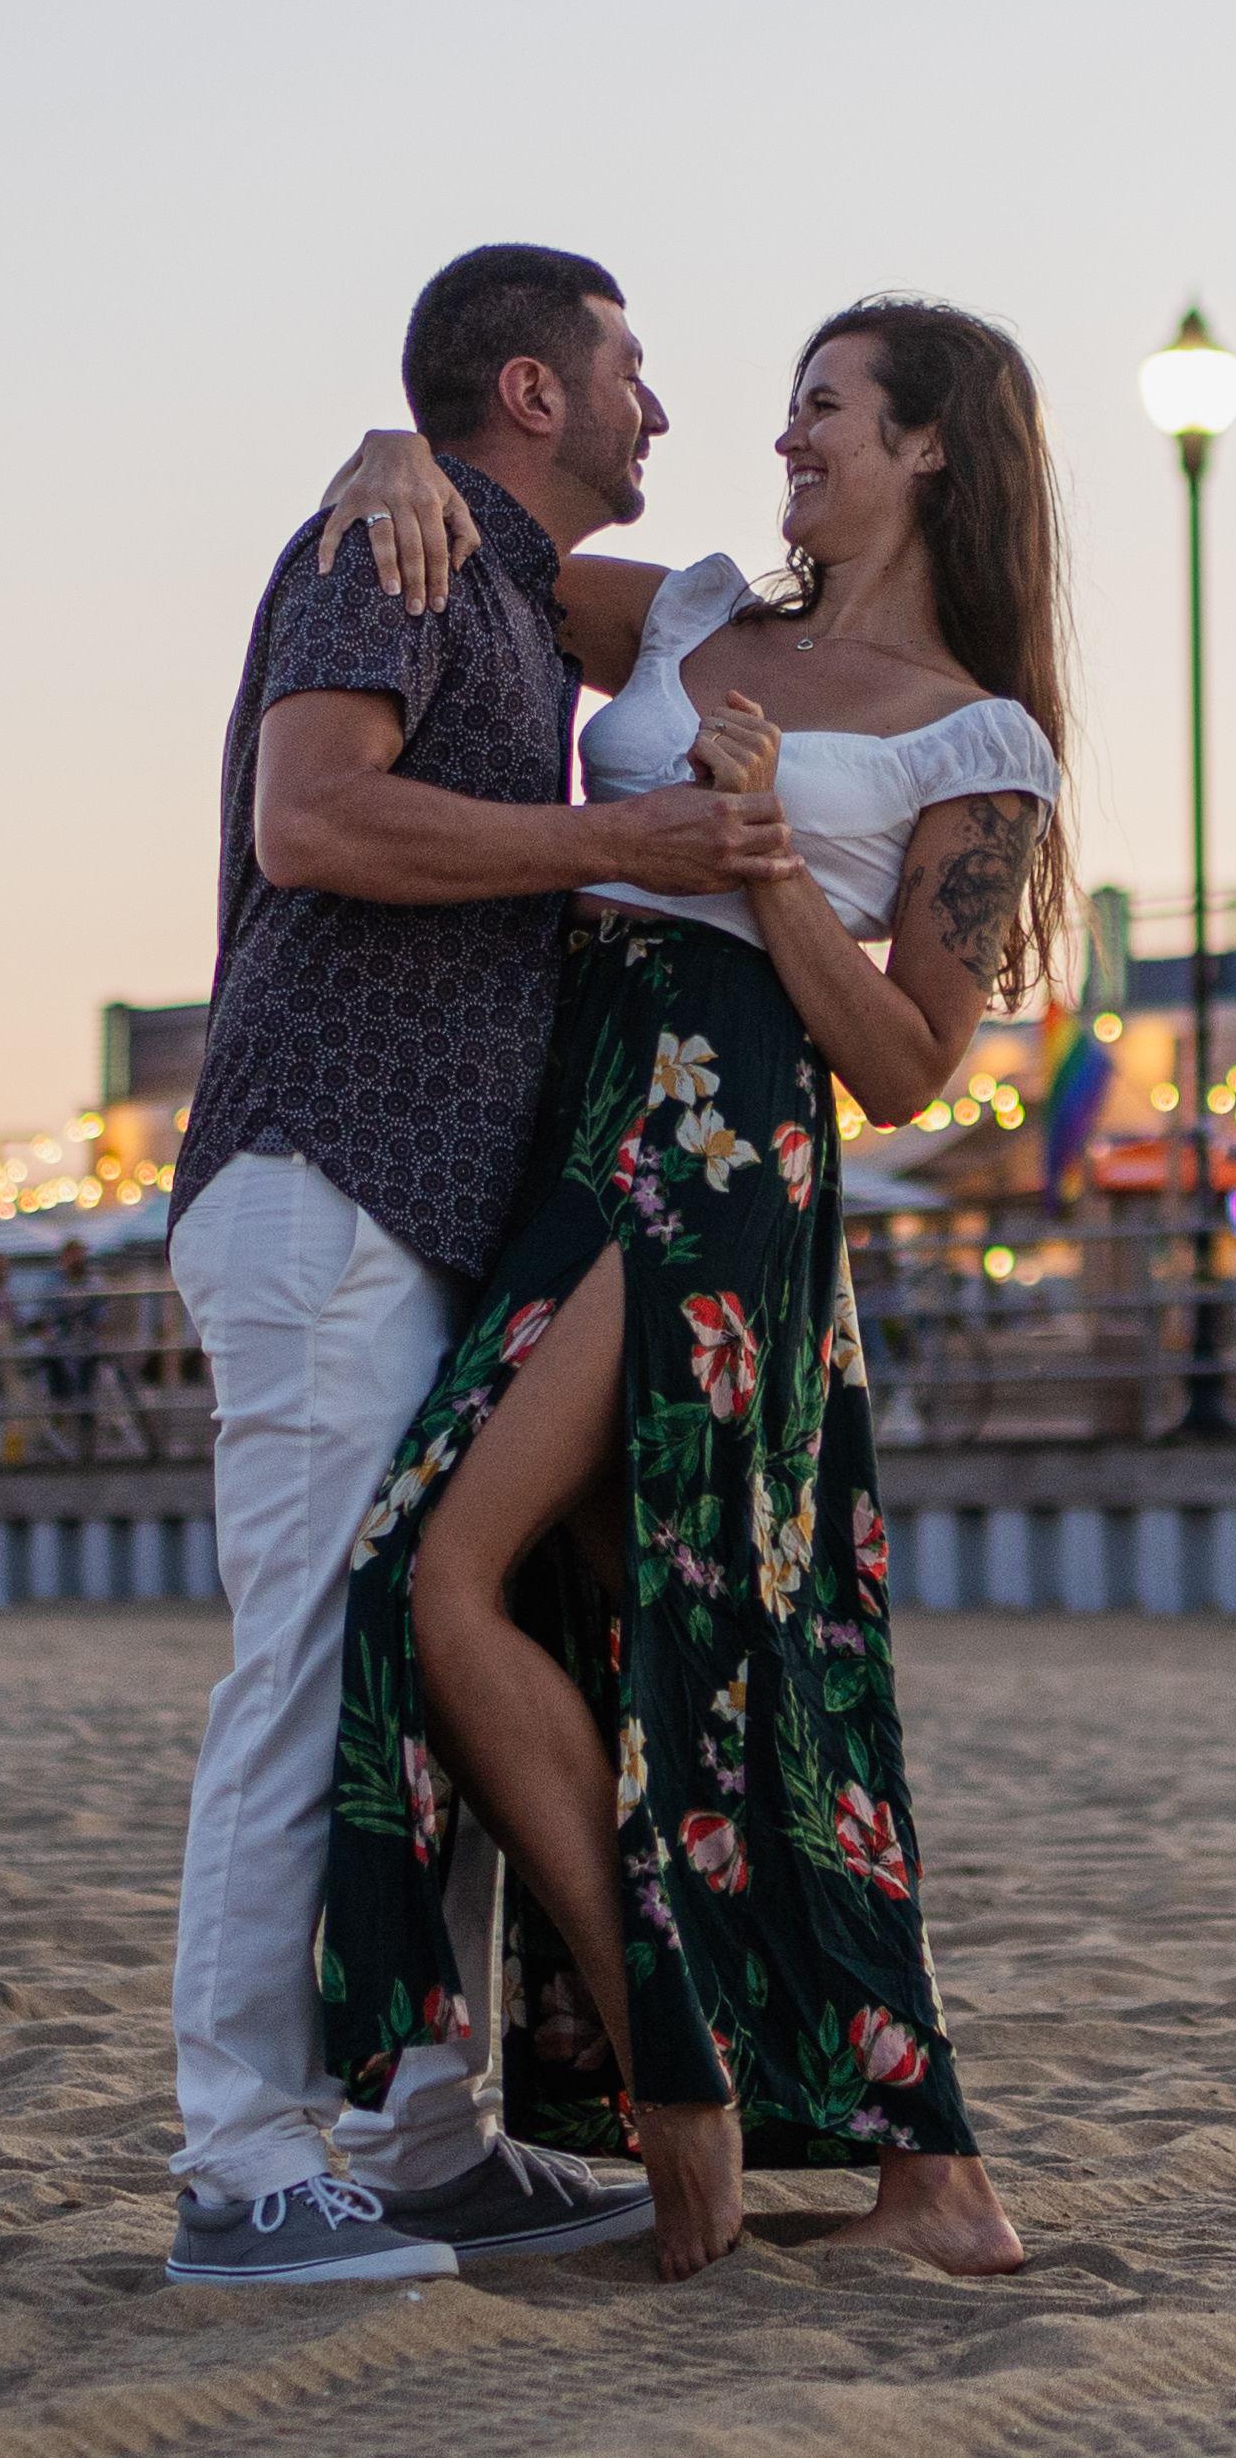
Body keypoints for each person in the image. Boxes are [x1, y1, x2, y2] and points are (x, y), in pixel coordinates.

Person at [310, 303, 1059, 2284]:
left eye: (825, 405)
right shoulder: (689, 609)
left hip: (724, 1154)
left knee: (460, 1575)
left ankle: (707, 2085)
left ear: (930, 449)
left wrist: (768, 863)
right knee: (652, 1619)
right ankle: (849, 2140)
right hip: (574, 1119)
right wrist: (386, 455)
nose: (784, 434)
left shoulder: (977, 740)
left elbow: (909, 1064)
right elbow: (487, 539)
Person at [154, 245, 789, 2297]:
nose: (658, 409)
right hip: (326, 1180)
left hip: (426, 1216)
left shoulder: (503, 580)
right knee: (301, 1671)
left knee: (408, 1670)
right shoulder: (390, 545)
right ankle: (242, 2162)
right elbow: (314, 820)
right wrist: (619, 850)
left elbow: (764, 625)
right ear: (530, 388)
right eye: (629, 368)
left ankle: (420, 2139)